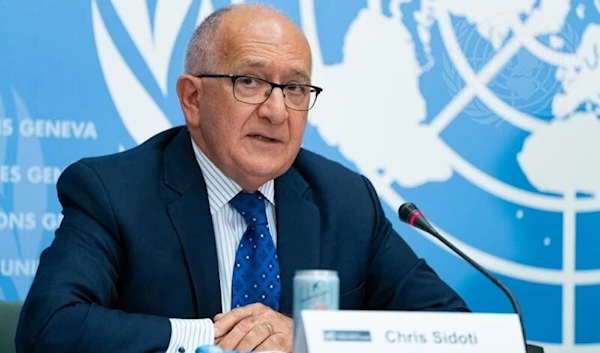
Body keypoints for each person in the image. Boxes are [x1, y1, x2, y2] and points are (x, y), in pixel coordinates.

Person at [15, 4, 468, 353]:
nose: (275, 111)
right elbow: (49, 326)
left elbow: (456, 331)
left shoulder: (345, 201)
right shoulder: (113, 192)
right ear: (192, 99)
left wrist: (316, 339)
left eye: (294, 88)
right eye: (249, 82)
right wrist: (213, 337)